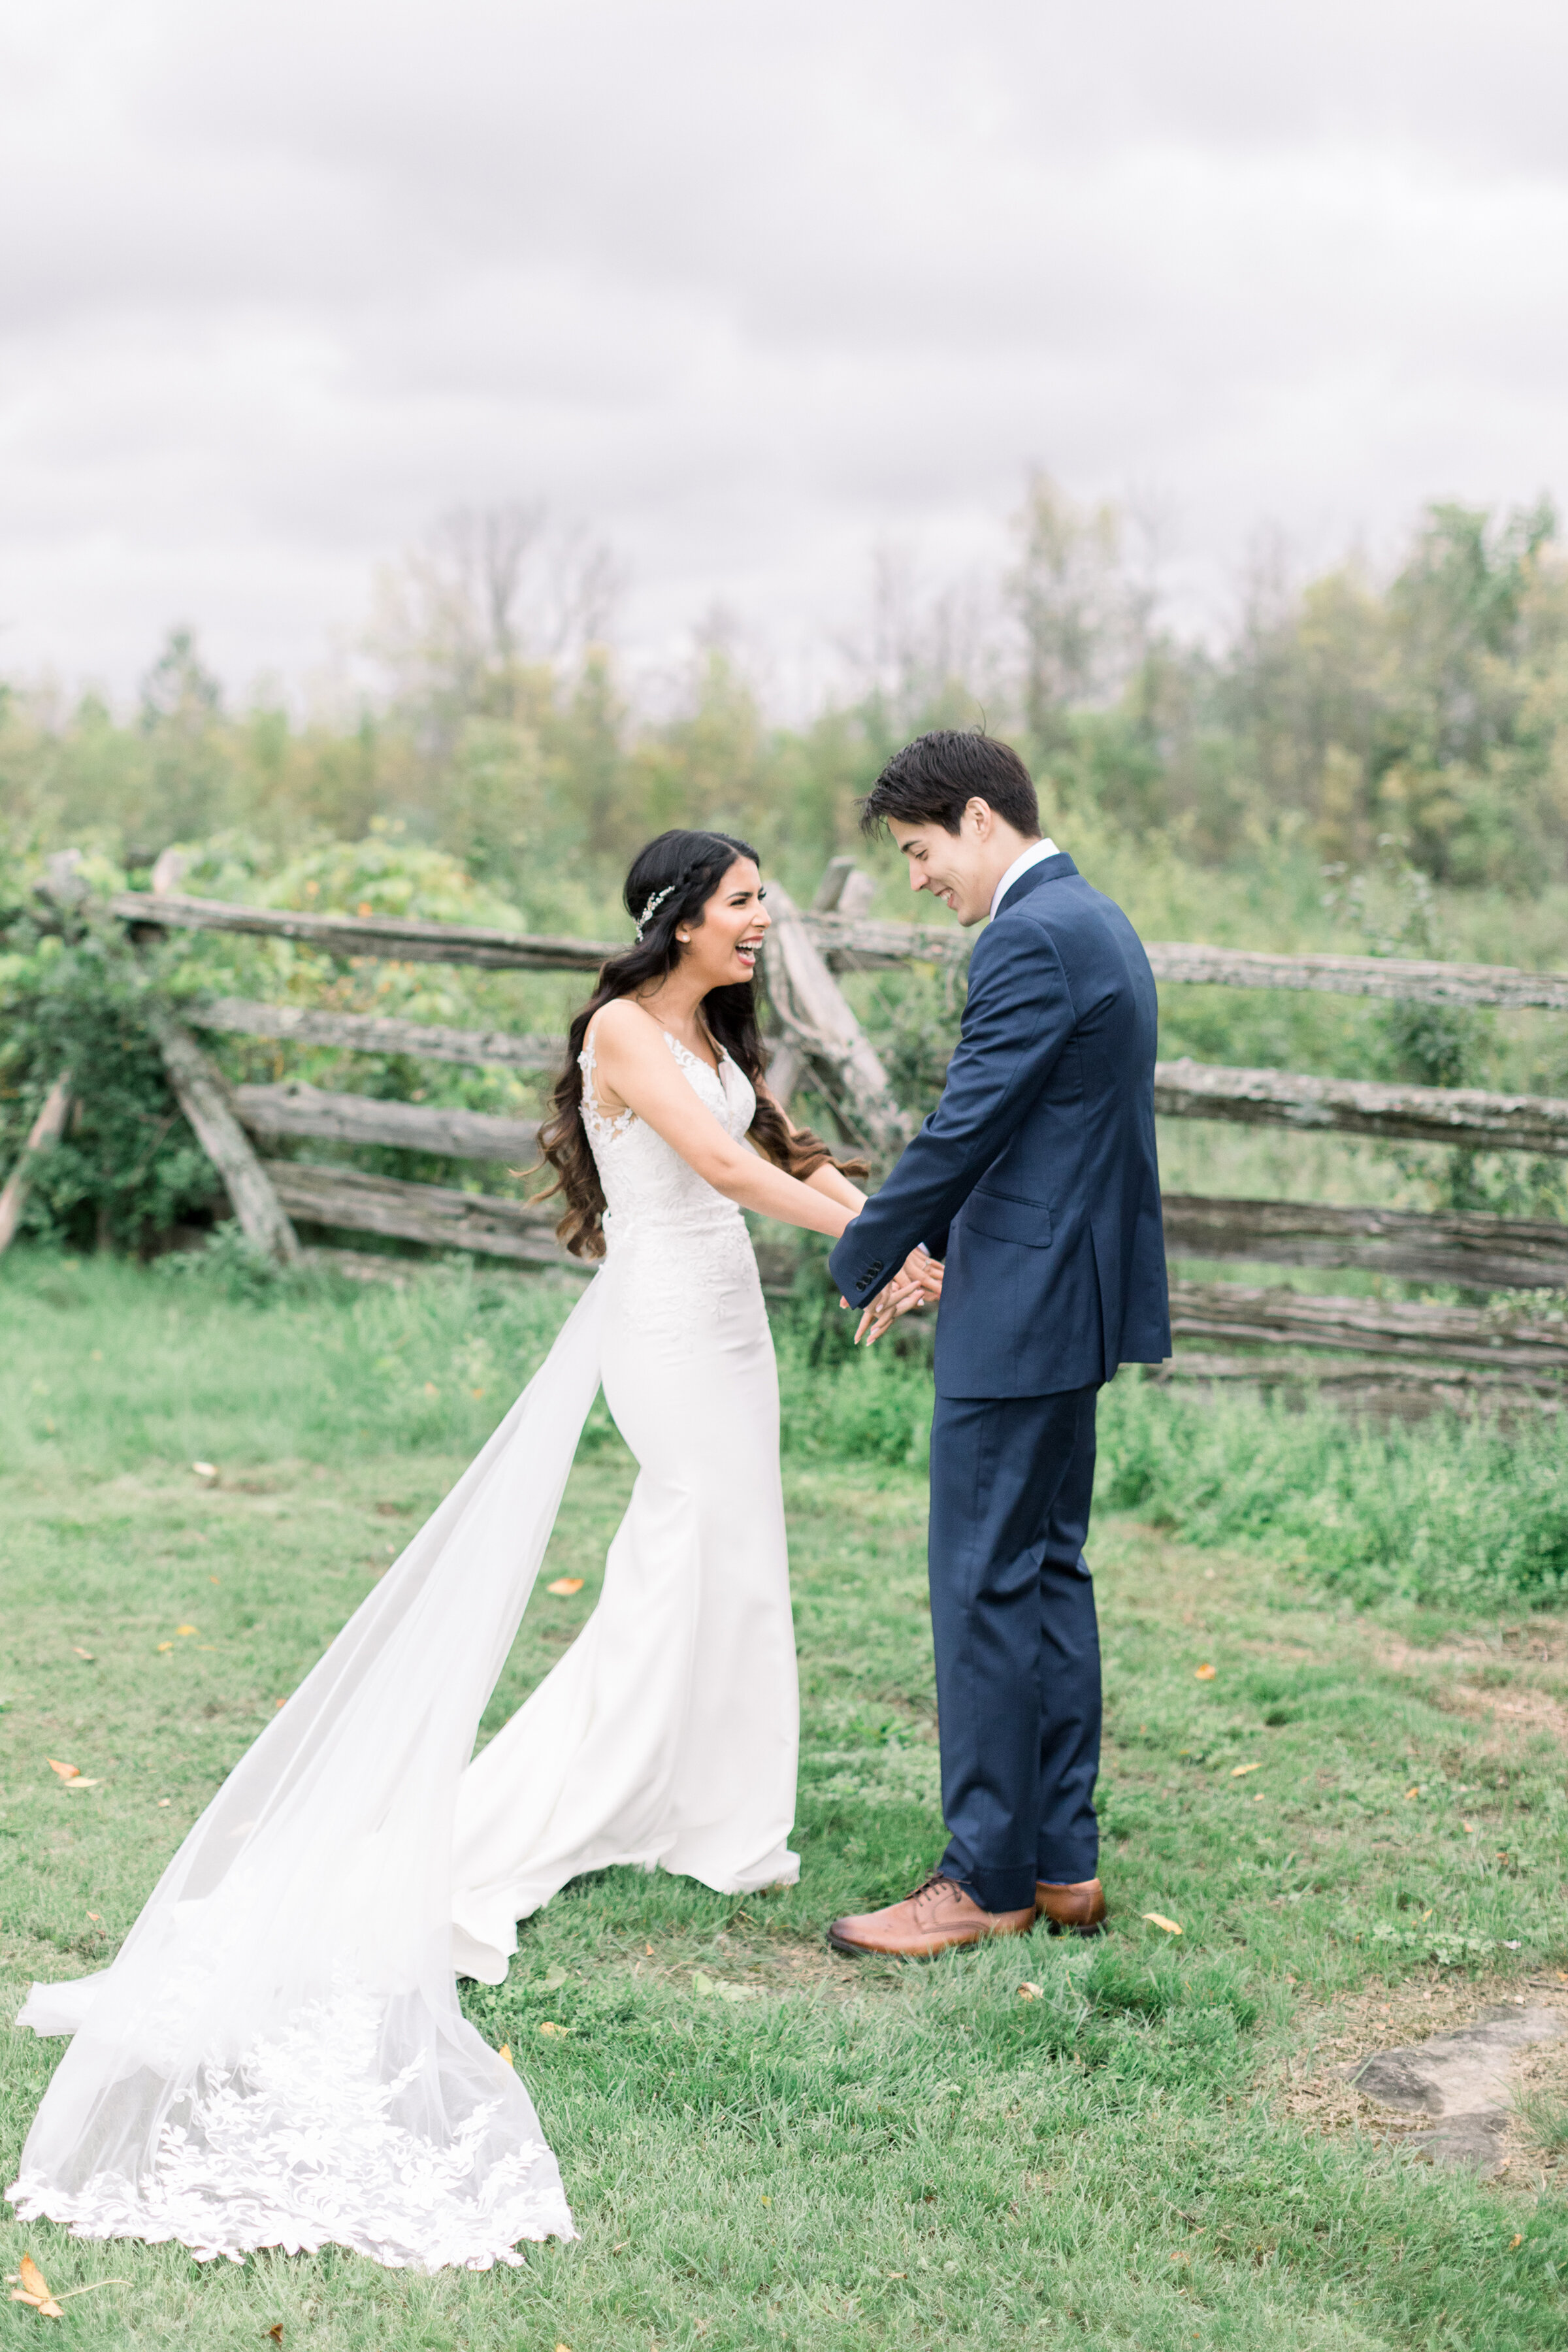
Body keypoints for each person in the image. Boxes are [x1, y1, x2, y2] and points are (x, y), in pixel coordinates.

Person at [7, 829, 926, 2273]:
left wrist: (882, 1219)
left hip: (731, 1327)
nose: (766, 921)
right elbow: (719, 1172)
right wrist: (893, 1244)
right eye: (747, 902)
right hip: (668, 1331)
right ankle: (604, 1807)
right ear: (681, 915)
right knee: (687, 1563)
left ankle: (708, 1809)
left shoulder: (708, 1022)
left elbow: (765, 1148)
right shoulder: (625, 1027)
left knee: (726, 1569)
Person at [825, 732, 1170, 1961]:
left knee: (981, 1586)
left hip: (1022, 1313)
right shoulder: (1100, 921)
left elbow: (968, 1125)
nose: (920, 878)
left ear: (980, 819)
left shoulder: (1027, 937)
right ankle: (1062, 1865)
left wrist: (866, 1249)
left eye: (921, 850)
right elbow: (1054, 1140)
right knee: (1047, 1575)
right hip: (1064, 1297)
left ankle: (984, 1880)